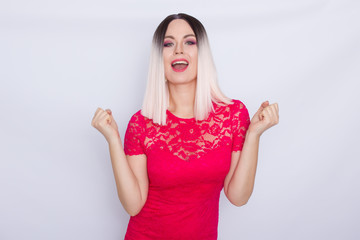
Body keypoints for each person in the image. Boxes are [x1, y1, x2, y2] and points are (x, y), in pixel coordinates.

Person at [91, 13, 279, 240]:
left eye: (189, 42)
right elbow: (133, 205)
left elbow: (238, 197)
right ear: (159, 58)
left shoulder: (233, 115)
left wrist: (254, 134)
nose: (178, 50)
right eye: (168, 44)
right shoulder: (141, 124)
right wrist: (112, 139)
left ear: (203, 54)